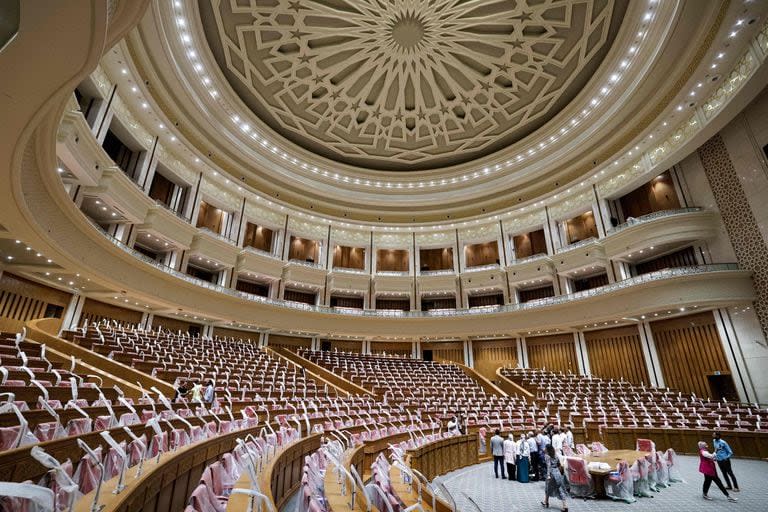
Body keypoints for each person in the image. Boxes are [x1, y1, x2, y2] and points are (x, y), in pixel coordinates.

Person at [542, 444, 569, 512]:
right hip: (557, 472)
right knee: (560, 488)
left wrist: (548, 475)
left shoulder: (547, 456)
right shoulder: (556, 454)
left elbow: (548, 466)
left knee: (548, 487)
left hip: (551, 473)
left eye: (545, 448)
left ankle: (546, 502)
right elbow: (559, 464)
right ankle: (565, 505)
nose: (544, 449)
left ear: (547, 449)